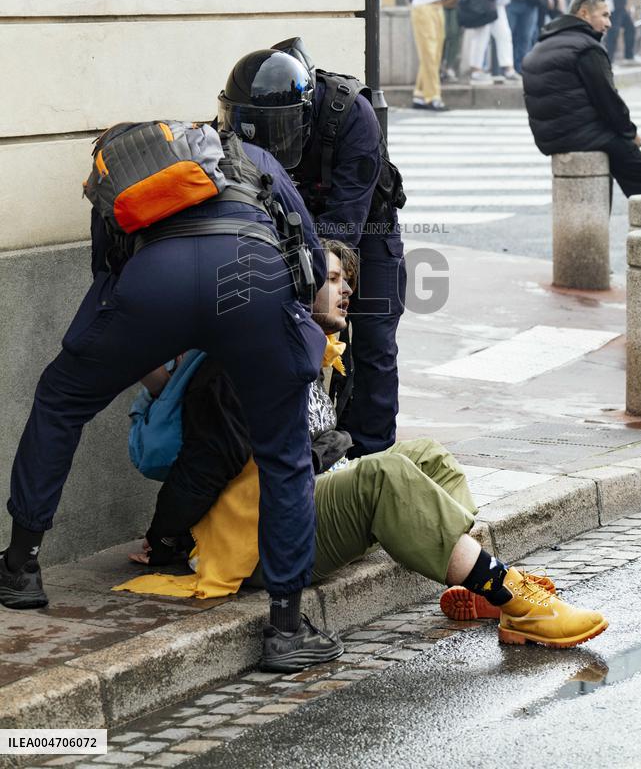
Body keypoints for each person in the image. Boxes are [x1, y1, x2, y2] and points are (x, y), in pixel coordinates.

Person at [121, 241, 610, 663]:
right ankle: (515, 599)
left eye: (345, 279)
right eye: (332, 279)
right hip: (264, 546)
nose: (347, 289)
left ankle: (473, 585)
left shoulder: (305, 347)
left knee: (426, 455)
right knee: (384, 475)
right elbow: (202, 469)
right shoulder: (242, 367)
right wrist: (165, 540)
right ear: (297, 286)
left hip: (300, 508)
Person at [0, 85, 346, 671]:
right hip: (251, 275)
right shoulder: (249, 156)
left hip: (152, 285)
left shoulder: (122, 176)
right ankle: (286, 629)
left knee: (60, 400)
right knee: (283, 453)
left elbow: (107, 272)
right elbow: (308, 252)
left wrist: (109, 353)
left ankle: (21, 567)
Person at [219, 43, 406, 460]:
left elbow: (345, 226)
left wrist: (308, 273)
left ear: (304, 115)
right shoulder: (242, 113)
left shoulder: (352, 115)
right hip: (288, 229)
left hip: (364, 228)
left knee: (374, 339)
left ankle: (372, 459)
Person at [522, 0, 641, 197]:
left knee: (612, 171)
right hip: (579, 135)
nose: (609, 24)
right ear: (584, 13)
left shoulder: (541, 46)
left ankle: (599, 227)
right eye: (604, 15)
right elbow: (609, 101)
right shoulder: (587, 48)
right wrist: (631, 134)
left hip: (550, 137)